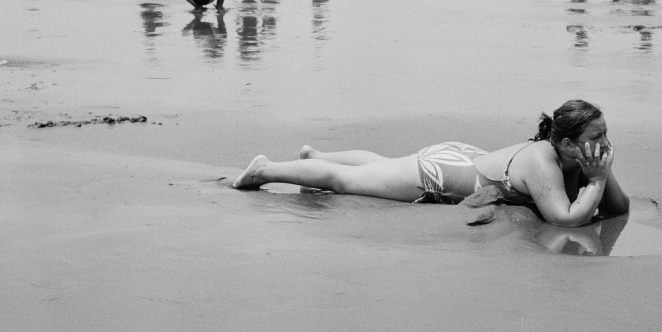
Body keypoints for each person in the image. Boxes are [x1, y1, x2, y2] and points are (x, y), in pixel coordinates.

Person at [235, 99, 630, 227]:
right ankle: (266, 170)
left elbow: (619, 209)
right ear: (564, 141)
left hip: (466, 159)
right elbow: (564, 217)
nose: (604, 144)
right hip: (441, 175)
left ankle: (316, 157)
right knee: (344, 182)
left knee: (385, 165)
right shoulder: (542, 160)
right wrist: (595, 182)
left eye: (605, 134)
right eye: (596, 138)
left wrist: (601, 172)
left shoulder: (572, 155)